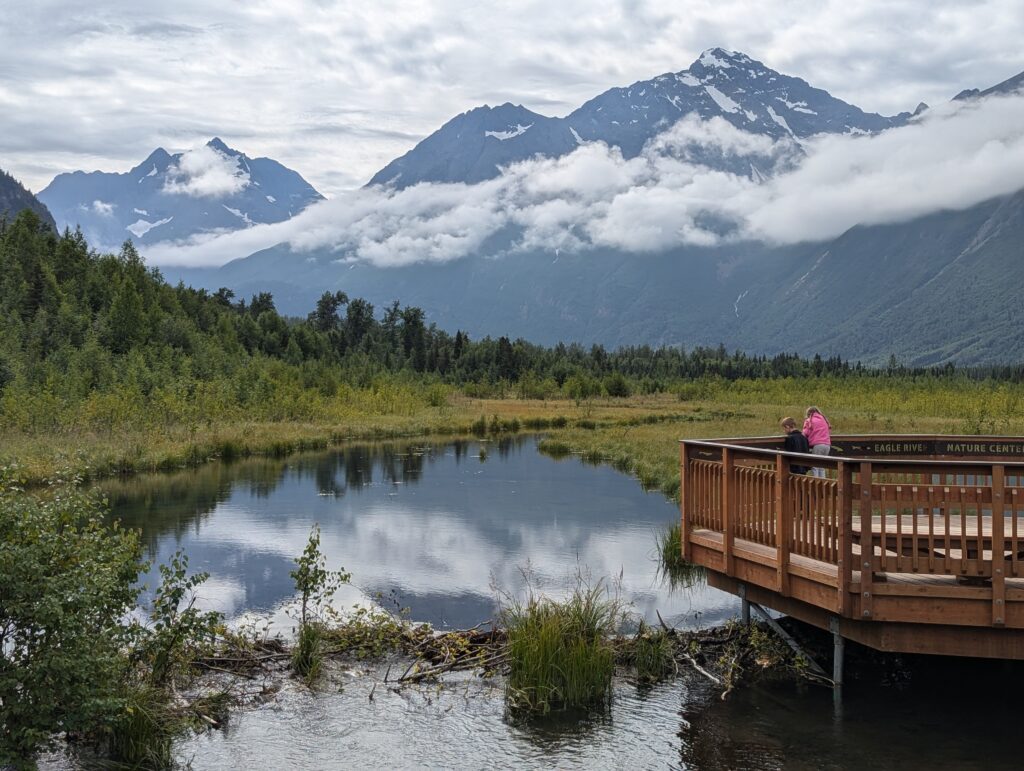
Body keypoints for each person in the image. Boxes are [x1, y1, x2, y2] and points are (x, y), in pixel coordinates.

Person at [802, 407, 832, 478]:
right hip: (827, 445)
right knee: (822, 467)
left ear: (808, 413)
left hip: (818, 445)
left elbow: (805, 433)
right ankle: (823, 485)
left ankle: (816, 484)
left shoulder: (809, 420)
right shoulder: (824, 419)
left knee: (815, 466)